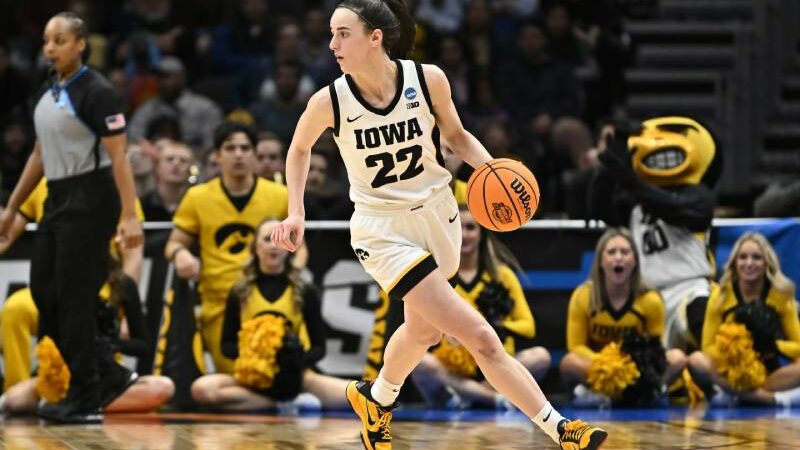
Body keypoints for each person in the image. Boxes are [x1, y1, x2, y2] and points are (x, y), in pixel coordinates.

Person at [269, 2, 607, 449]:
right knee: (481, 337)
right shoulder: (329, 100)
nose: (332, 44)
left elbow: (457, 136)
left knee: (423, 332)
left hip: (439, 214)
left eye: (343, 33)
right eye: (331, 33)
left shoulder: (427, 80)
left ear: (375, 37)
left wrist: (493, 171)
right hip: (382, 230)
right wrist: (296, 210)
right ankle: (561, 429)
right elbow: (298, 149)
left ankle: (376, 398)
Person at [0, 11, 143, 423]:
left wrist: (129, 215)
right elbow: (39, 154)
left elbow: (120, 157)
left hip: (92, 196)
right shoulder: (49, 90)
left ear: (81, 44)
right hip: (58, 195)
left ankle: (86, 396)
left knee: (74, 298)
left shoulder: (98, 92)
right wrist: (11, 208)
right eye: (47, 40)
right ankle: (105, 372)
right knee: (44, 291)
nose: (50, 48)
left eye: (59, 40)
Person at [164, 121, 289, 375]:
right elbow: (174, 243)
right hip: (218, 305)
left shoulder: (280, 196)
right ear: (217, 155)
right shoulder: (198, 197)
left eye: (245, 148)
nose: (238, 154)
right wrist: (180, 254)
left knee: (273, 373)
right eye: (230, 148)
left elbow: (301, 249)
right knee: (238, 374)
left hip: (271, 301)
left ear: (254, 153)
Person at [0, 177, 145, 393]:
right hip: (52, 282)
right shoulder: (41, 184)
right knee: (15, 309)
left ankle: (99, 383)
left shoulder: (117, 186)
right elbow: (6, 235)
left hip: (101, 283)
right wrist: (9, 211)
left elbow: (133, 254)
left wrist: (124, 306)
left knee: (88, 315)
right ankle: (17, 390)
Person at [191, 219, 350, 410]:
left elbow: (319, 348)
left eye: (280, 240)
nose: (274, 246)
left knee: (354, 395)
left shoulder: (304, 290)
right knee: (202, 389)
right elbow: (227, 345)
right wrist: (257, 355)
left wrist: (293, 360)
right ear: (255, 247)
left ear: (290, 247)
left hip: (295, 377)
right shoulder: (240, 291)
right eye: (267, 239)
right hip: (253, 377)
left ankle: (282, 399)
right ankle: (281, 405)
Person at [411, 204, 551, 409]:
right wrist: (449, 331)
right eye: (458, 227)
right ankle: (494, 398)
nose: (464, 234)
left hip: (494, 359)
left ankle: (469, 395)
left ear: (481, 234)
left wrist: (492, 326)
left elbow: (528, 327)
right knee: (420, 361)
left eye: (471, 227)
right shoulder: (438, 277)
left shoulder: (502, 276)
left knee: (540, 357)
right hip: (455, 368)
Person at [1, 252, 175, 414]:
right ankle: (74, 402)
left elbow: (142, 345)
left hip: (105, 373)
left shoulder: (122, 284)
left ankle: (83, 404)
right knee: (13, 400)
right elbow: (46, 339)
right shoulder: (59, 283)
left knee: (163, 387)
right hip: (67, 373)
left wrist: (109, 344)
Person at [560, 228, 687, 405]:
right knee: (569, 362)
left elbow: (656, 348)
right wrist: (607, 364)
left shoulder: (650, 300)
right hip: (597, 368)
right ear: (601, 261)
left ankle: (650, 392)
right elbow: (576, 346)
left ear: (635, 261)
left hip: (636, 371)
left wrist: (628, 367)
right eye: (611, 252)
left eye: (625, 252)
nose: (618, 257)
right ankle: (598, 393)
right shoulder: (583, 296)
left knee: (677, 358)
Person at [687, 232, 800, 407]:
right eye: (743, 257)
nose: (749, 263)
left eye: (756, 258)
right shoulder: (720, 296)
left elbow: (798, 346)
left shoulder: (781, 295)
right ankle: (771, 399)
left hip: (769, 373)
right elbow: (707, 347)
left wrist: (774, 345)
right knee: (696, 360)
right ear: (734, 262)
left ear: (767, 263)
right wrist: (734, 349)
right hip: (730, 371)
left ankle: (738, 395)